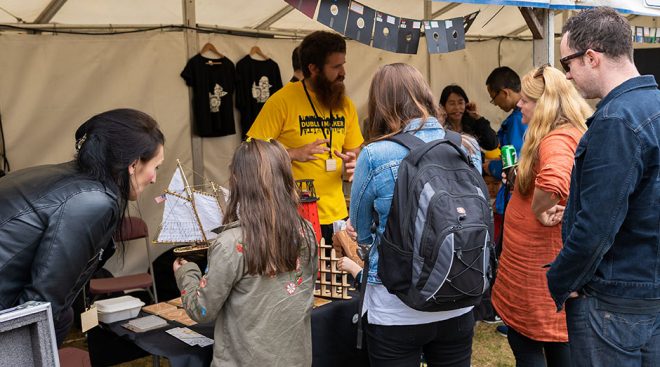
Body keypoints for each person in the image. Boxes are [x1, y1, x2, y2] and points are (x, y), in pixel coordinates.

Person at [546, 7, 660, 367]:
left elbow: (596, 228)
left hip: (616, 303)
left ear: (591, 57)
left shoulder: (616, 120)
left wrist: (561, 278)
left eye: (568, 64)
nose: (567, 76)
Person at [351, 63, 481, 366]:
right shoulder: (466, 147)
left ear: (380, 104)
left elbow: (361, 229)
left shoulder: (375, 154)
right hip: (459, 291)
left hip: (395, 302)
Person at [0, 108, 165, 346]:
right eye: (156, 167)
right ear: (133, 164)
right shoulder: (93, 200)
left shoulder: (66, 176)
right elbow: (43, 301)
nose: (154, 179)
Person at [173, 138, 318, 366]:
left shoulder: (230, 242)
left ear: (239, 182)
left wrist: (186, 273)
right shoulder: (305, 230)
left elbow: (202, 310)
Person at [491, 65, 592, 367]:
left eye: (526, 100)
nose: (519, 104)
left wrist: (539, 208)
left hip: (539, 273)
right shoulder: (564, 132)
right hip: (533, 271)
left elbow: (555, 180)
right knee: (549, 345)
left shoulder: (557, 139)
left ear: (545, 104)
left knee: (539, 346)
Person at [248, 30, 364, 246]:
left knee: (337, 278)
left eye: (343, 64)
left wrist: (352, 161)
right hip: (294, 217)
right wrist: (293, 154)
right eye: (336, 66)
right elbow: (250, 152)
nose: (343, 72)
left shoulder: (344, 104)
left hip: (339, 216)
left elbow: (354, 149)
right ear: (313, 69)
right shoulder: (281, 101)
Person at [439, 84, 499, 151]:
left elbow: (492, 144)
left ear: (466, 104)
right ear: (443, 106)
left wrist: (478, 118)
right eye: (452, 104)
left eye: (460, 103)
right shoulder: (440, 128)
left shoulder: (472, 125)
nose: (457, 108)